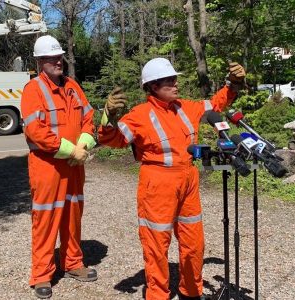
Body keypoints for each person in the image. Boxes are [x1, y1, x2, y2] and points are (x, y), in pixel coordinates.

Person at [98, 57, 245, 300]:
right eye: (169, 80)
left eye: (175, 79)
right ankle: (158, 294)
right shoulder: (139, 115)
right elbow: (111, 140)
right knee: (157, 243)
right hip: (157, 183)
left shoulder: (186, 107)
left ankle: (190, 291)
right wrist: (108, 118)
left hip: (188, 179)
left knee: (194, 242)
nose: (176, 83)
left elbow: (216, 104)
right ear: (153, 86)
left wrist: (234, 84)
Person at [21, 35, 97, 299]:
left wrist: (84, 144)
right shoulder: (33, 90)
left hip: (74, 165)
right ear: (40, 61)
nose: (57, 61)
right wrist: (69, 150)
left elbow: (89, 118)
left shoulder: (73, 86)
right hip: (48, 167)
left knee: (73, 216)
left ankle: (73, 262)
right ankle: (42, 274)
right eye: (51, 57)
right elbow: (35, 131)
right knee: (46, 219)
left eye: (59, 56)